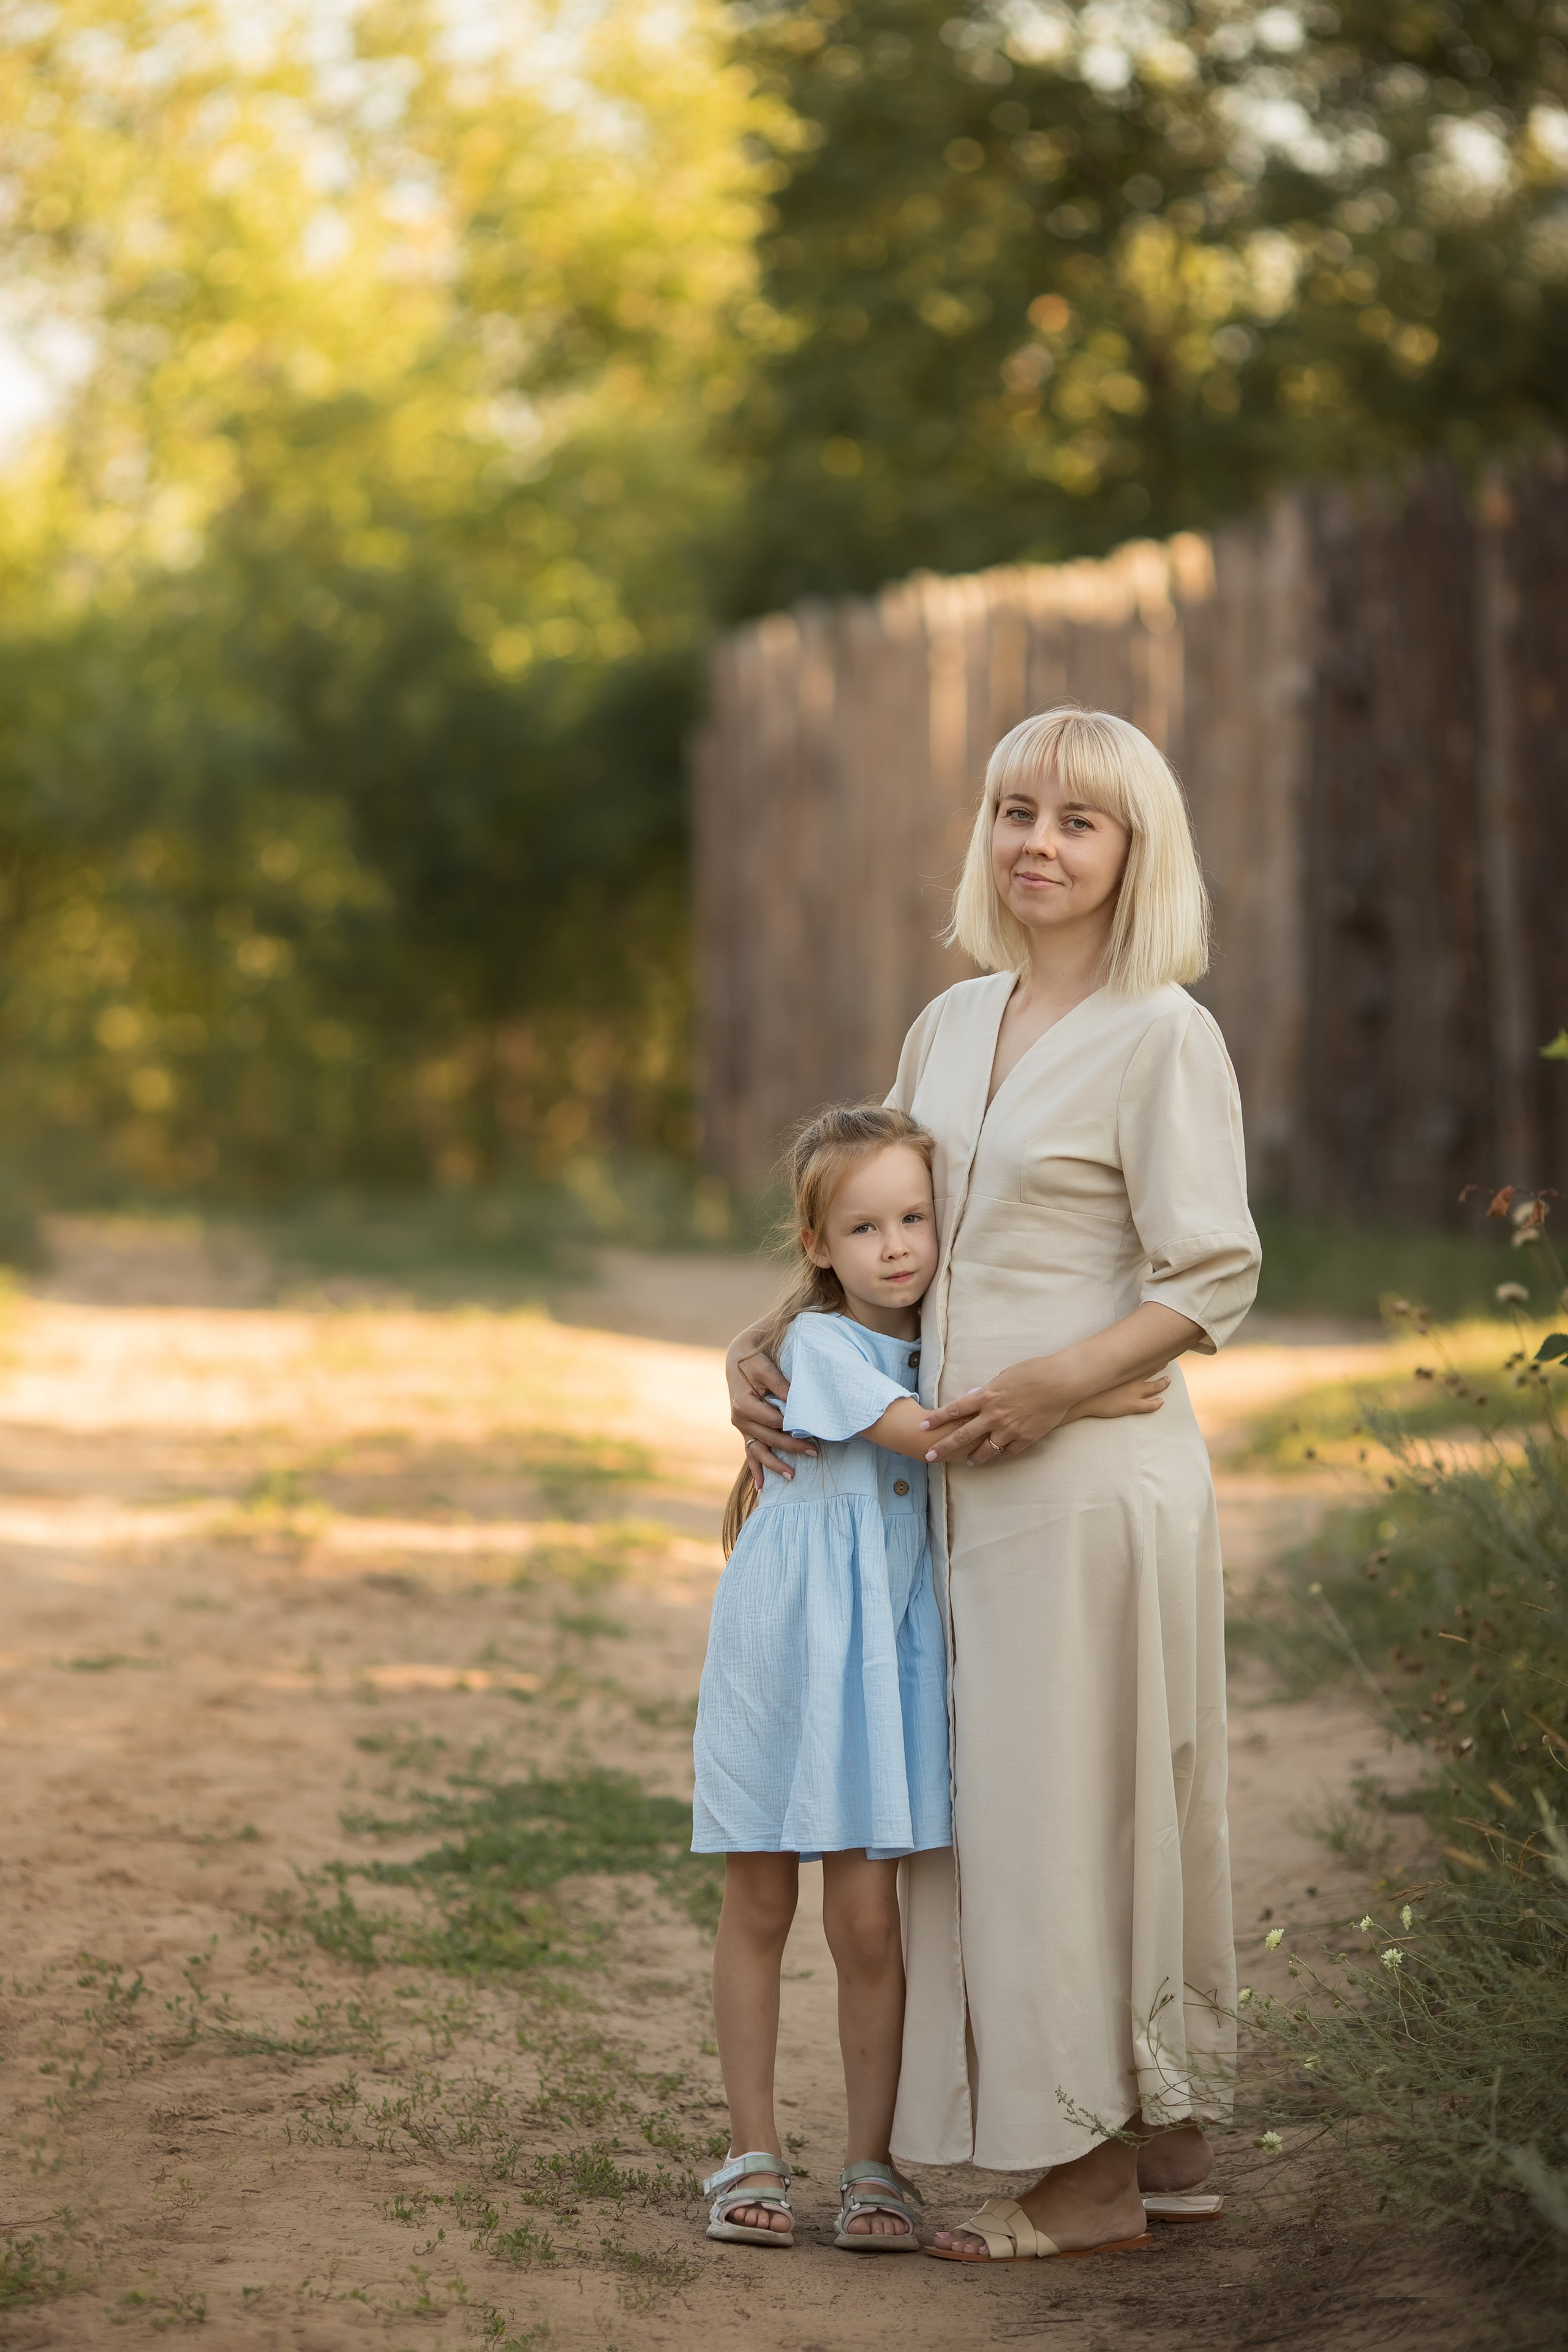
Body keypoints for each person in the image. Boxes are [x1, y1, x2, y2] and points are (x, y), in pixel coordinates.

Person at [726, 707, 1261, 2264]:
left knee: (1060, 1813)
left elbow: (1210, 1275)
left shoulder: (1164, 1030)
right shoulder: (951, 1024)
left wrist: (1058, 1381)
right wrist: (767, 1344)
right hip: (957, 1487)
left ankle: (1085, 2183)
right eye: (1014, 808)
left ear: (1130, 850)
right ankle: (1163, 2145)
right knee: (1047, 1803)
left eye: (1076, 821)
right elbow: (872, 1226)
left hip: (1086, 1484)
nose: (1037, 842)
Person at [696, 1101, 1169, 2253]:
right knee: (761, 1901)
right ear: (818, 1248)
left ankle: (872, 2166)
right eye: (864, 1229)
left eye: (915, 1217)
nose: (897, 1245)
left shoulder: (941, 1342)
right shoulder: (816, 1348)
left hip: (883, 1662)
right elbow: (938, 1437)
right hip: (788, 1652)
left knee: (869, 1924)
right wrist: (1094, 1393)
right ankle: (750, 2150)